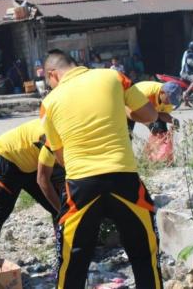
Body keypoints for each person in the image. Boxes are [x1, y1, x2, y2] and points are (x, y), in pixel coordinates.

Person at [40, 50, 162, 288]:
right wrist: (123, 108)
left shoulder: (49, 104)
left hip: (81, 185)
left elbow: (61, 156)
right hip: (124, 179)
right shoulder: (113, 77)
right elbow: (150, 114)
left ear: (52, 74)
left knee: (72, 260)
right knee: (144, 254)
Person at [0, 119, 65, 259]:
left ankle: (64, 254)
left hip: (32, 164)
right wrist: (61, 210)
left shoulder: (69, 133)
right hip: (4, 157)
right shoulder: (53, 136)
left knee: (57, 204)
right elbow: (43, 180)